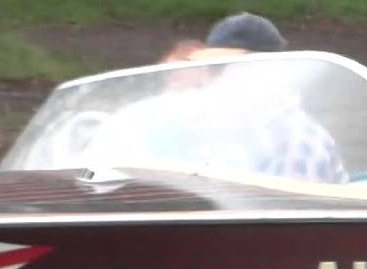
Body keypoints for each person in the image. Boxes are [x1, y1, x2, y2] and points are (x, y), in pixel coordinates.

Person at [149, 13, 348, 185]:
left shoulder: (294, 140)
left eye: (222, 68)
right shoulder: (232, 129)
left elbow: (288, 217)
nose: (210, 78)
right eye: (211, 68)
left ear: (266, 70)